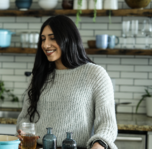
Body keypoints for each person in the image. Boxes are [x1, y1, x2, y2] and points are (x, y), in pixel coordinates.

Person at [16, 15, 117, 149]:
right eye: (43, 39)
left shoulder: (95, 74)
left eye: (53, 38)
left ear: (68, 39)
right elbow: (25, 118)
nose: (46, 45)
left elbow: (107, 124)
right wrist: (23, 131)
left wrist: (98, 145)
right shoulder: (38, 76)